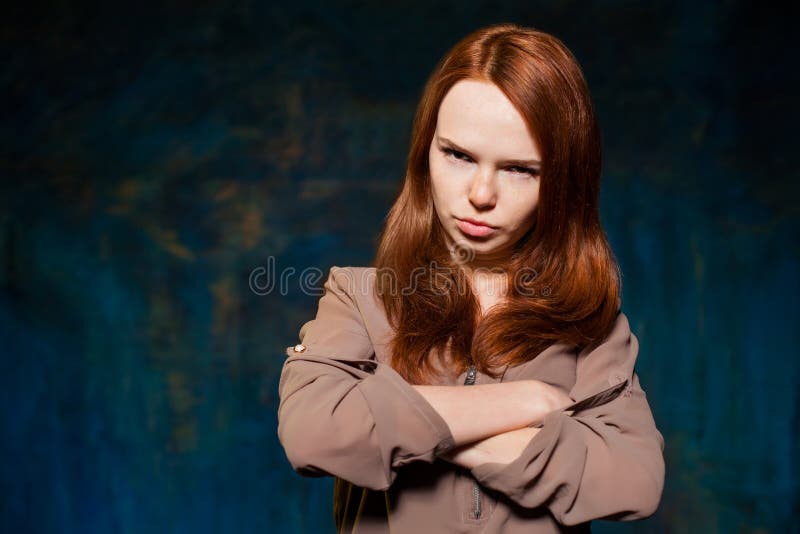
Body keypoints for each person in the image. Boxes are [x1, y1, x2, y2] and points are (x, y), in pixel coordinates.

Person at [277, 22, 665, 533]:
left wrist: (409, 432)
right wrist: (523, 403)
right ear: (425, 153)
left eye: (520, 169)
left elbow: (635, 480)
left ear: (562, 183)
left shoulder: (591, 325)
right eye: (458, 155)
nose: (481, 193)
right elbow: (314, 434)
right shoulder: (359, 296)